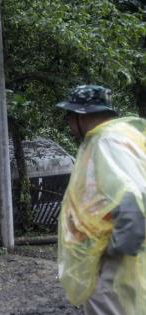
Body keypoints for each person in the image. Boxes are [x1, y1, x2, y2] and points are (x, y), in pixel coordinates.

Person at [56, 85, 146, 315]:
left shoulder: (106, 143)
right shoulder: (123, 138)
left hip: (117, 258)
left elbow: (132, 198)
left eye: (69, 117)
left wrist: (113, 253)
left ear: (81, 116)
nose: (68, 125)